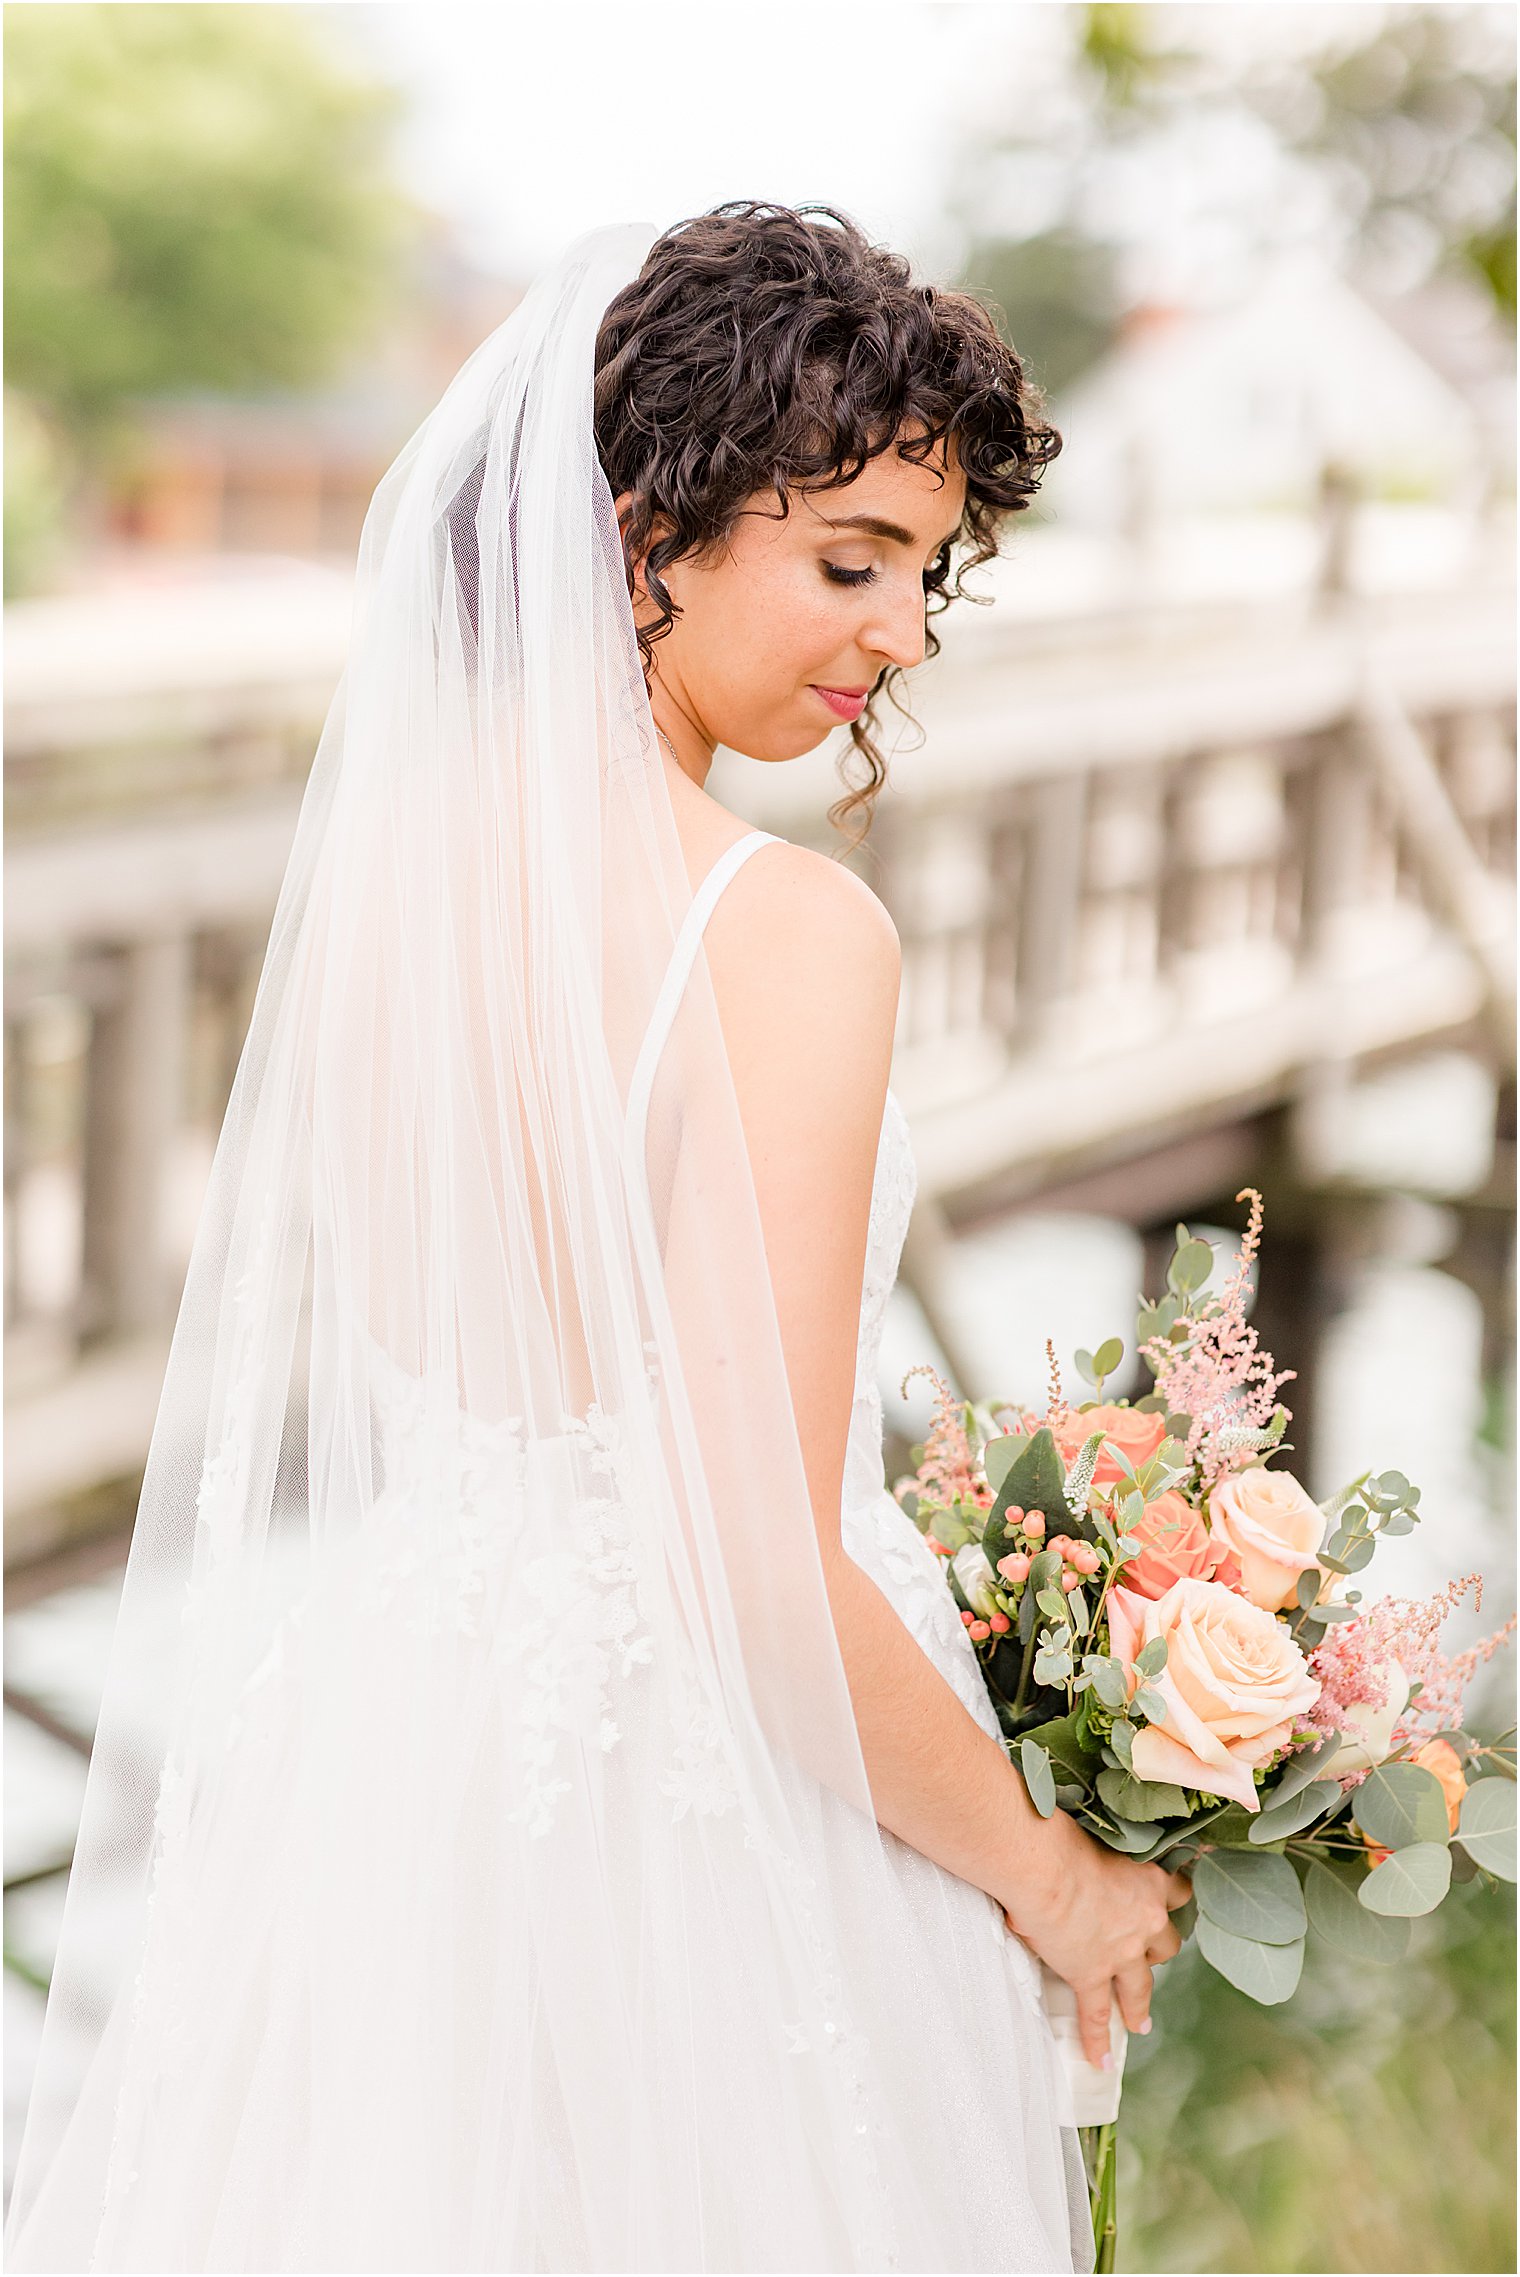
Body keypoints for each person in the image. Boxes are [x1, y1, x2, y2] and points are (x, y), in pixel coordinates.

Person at [4, 200, 1188, 2275]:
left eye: (924, 574)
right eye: (849, 562)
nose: (899, 633)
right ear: (646, 530)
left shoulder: (383, 896)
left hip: (398, 1754)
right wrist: (1049, 1873)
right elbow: (744, 1559)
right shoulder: (780, 931)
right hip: (708, 1825)